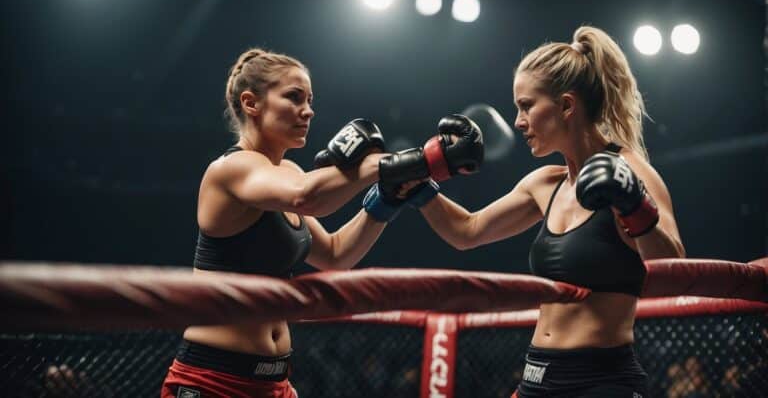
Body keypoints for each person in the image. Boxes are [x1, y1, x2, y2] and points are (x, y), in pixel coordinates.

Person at [160, 48, 484, 398]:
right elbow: (307, 197)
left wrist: (387, 199)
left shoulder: (288, 173)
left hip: (273, 382)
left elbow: (334, 254)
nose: (308, 110)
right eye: (294, 97)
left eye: (310, 99)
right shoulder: (230, 170)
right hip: (214, 380)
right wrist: (419, 160)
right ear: (251, 103)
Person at [388, 26, 686, 397]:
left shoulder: (632, 171)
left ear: (565, 105)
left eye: (526, 106)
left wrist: (635, 207)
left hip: (601, 383)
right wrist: (420, 185)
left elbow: (675, 270)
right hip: (535, 380)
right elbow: (467, 231)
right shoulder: (544, 183)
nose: (518, 121)